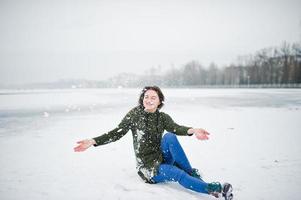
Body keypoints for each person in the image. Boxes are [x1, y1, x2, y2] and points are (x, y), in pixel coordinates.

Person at [74, 86, 233, 199]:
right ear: (142, 99)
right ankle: (214, 190)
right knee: (177, 173)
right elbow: (117, 133)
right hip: (149, 168)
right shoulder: (134, 115)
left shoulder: (162, 117)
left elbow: (176, 128)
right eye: (146, 97)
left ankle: (191, 174)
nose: (149, 100)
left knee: (169, 136)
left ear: (159, 101)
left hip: (161, 156)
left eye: (153, 97)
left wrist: (193, 130)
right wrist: (94, 141)